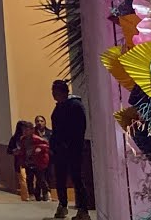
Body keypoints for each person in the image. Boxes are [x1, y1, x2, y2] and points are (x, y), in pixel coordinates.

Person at [50, 80, 91, 220]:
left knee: (77, 178)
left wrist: (70, 144)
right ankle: (63, 205)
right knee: (60, 178)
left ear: (63, 92)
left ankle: (83, 209)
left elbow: (79, 128)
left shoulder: (75, 106)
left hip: (73, 149)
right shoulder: (58, 107)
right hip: (59, 150)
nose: (53, 94)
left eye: (55, 91)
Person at [21, 121, 52, 202]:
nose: (25, 132)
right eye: (24, 130)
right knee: (29, 178)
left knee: (40, 178)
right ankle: (31, 194)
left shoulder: (37, 139)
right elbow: (23, 151)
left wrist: (39, 148)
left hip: (38, 161)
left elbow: (47, 146)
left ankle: (46, 192)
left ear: (31, 130)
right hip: (28, 161)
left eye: (27, 130)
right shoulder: (23, 139)